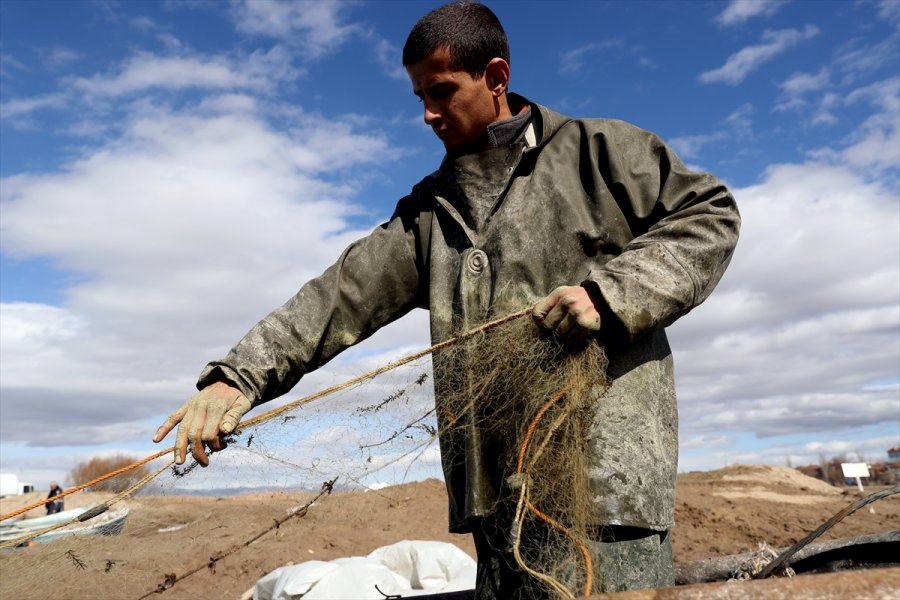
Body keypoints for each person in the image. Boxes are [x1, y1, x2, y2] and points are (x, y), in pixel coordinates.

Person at [154, 2, 740, 596]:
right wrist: (236, 378)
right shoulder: (429, 215)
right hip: (496, 511)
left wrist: (609, 296)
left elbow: (711, 216)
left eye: (442, 92)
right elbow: (337, 296)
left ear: (496, 77)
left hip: (604, 499)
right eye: (419, 98)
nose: (429, 114)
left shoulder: (602, 152)